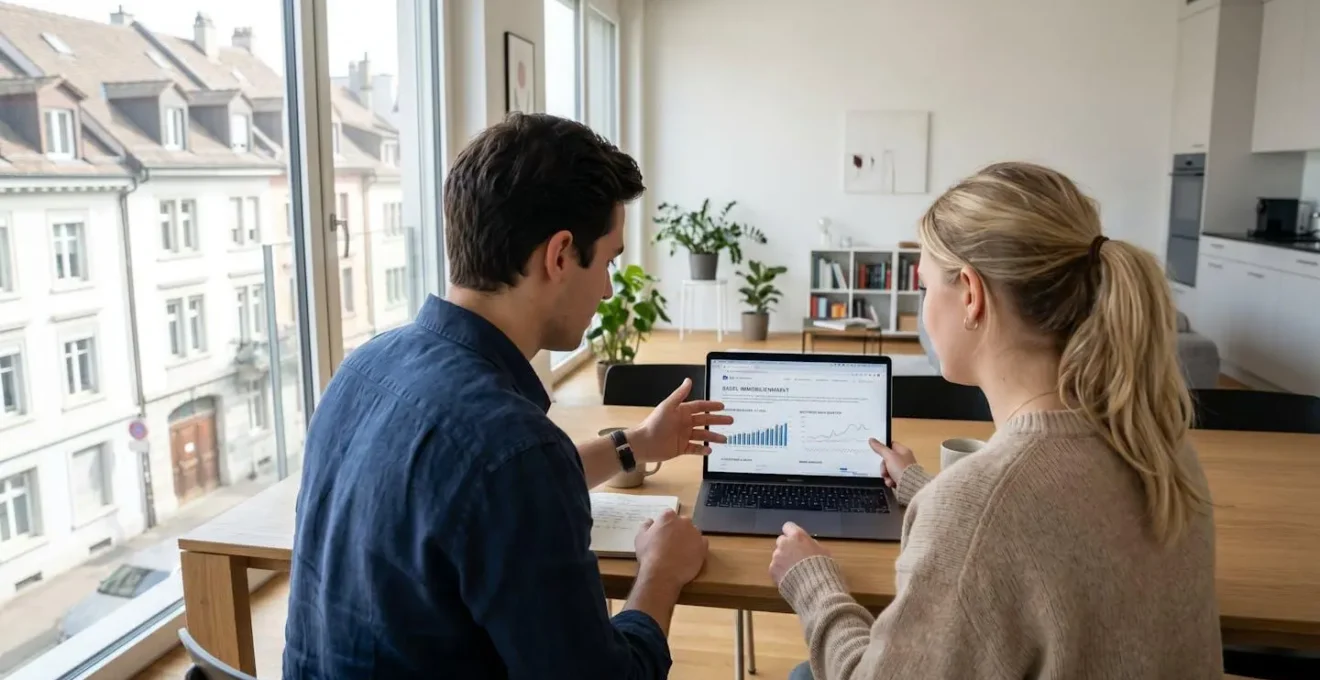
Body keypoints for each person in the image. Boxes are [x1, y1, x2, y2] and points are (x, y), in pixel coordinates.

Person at [282, 113, 731, 679]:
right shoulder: (513, 447)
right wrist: (660, 572)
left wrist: (636, 444)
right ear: (561, 254)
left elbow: (478, 489)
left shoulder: (364, 368)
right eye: (610, 260)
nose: (610, 287)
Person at [770, 162, 1221, 679]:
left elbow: (998, 520)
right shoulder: (1161, 448)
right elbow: (1035, 532)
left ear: (970, 294)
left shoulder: (976, 506)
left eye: (922, 288)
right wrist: (923, 488)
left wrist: (814, 583)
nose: (921, 309)